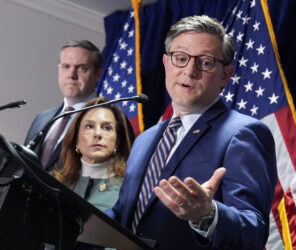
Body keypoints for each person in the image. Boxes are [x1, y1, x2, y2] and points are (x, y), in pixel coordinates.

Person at [106, 15, 277, 250]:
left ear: (225, 75)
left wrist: (206, 214)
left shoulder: (244, 132)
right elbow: (122, 214)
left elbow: (253, 232)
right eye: (180, 58)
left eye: (205, 62)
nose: (189, 70)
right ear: (166, 63)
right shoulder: (144, 140)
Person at [24, 40, 134, 171]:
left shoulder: (113, 121)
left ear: (98, 74)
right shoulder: (42, 118)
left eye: (82, 68)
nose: (71, 75)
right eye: (66, 66)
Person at [53, 97, 132, 212]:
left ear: (117, 142)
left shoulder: (127, 189)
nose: (98, 134)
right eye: (89, 126)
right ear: (76, 139)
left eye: (106, 128)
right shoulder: (57, 183)